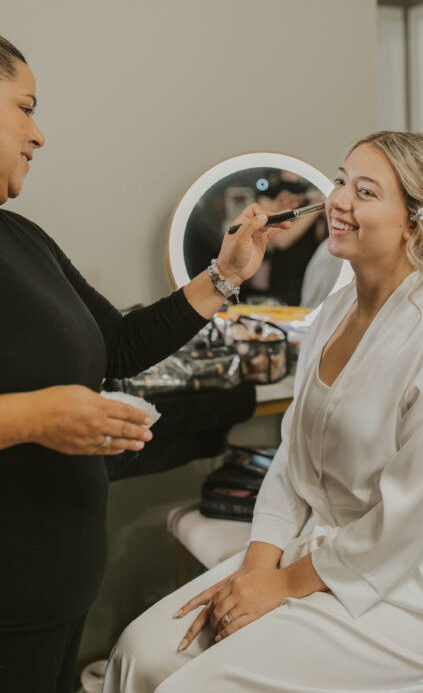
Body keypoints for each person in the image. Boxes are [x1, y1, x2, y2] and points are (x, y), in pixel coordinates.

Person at [103, 131, 423, 693]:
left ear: (415, 223)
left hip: (415, 587)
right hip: (318, 550)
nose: (338, 199)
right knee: (140, 652)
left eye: (365, 191)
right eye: (340, 180)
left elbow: (410, 521)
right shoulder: (334, 311)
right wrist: (256, 566)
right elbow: (292, 459)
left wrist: (284, 584)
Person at [0, 35, 287, 693]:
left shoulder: (23, 238)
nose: (39, 135)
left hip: (59, 586)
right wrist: (34, 416)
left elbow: (119, 344)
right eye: (25, 108)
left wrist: (224, 276)